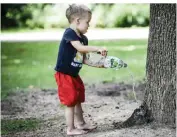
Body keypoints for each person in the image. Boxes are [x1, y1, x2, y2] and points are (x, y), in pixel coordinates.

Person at [54, 4, 107, 136]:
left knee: (78, 98)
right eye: (87, 22)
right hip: (65, 74)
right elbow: (80, 48)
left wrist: (98, 64)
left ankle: (81, 124)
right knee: (71, 101)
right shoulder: (69, 33)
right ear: (77, 20)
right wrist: (97, 48)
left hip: (74, 74)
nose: (88, 26)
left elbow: (84, 59)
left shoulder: (84, 39)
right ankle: (70, 129)